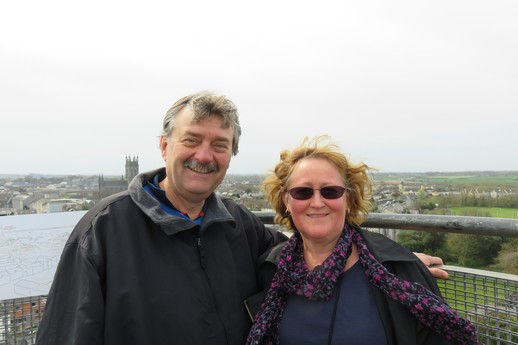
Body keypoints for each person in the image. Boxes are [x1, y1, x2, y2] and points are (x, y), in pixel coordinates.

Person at [35, 91, 450, 345]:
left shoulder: (237, 224)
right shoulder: (105, 230)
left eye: (220, 144)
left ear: (231, 155)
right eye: (191, 140)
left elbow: (307, 250)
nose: (204, 155)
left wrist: (388, 257)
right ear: (164, 146)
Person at [246, 136, 479, 345]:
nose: (317, 202)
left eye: (330, 191)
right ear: (287, 200)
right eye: (303, 192)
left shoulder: (396, 274)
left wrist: (406, 265)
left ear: (348, 198)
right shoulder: (272, 270)